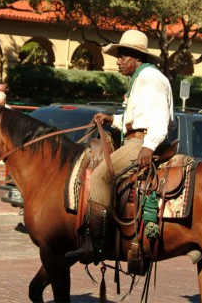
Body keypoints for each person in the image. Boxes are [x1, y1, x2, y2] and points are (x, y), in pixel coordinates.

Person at [66, 30, 173, 264]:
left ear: (137, 58)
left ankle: (97, 244)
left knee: (100, 177)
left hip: (140, 142)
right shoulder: (140, 78)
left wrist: (149, 146)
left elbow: (159, 118)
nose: (118, 62)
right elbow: (135, 116)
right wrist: (112, 119)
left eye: (123, 56)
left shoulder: (149, 78)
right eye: (118, 56)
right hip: (136, 137)